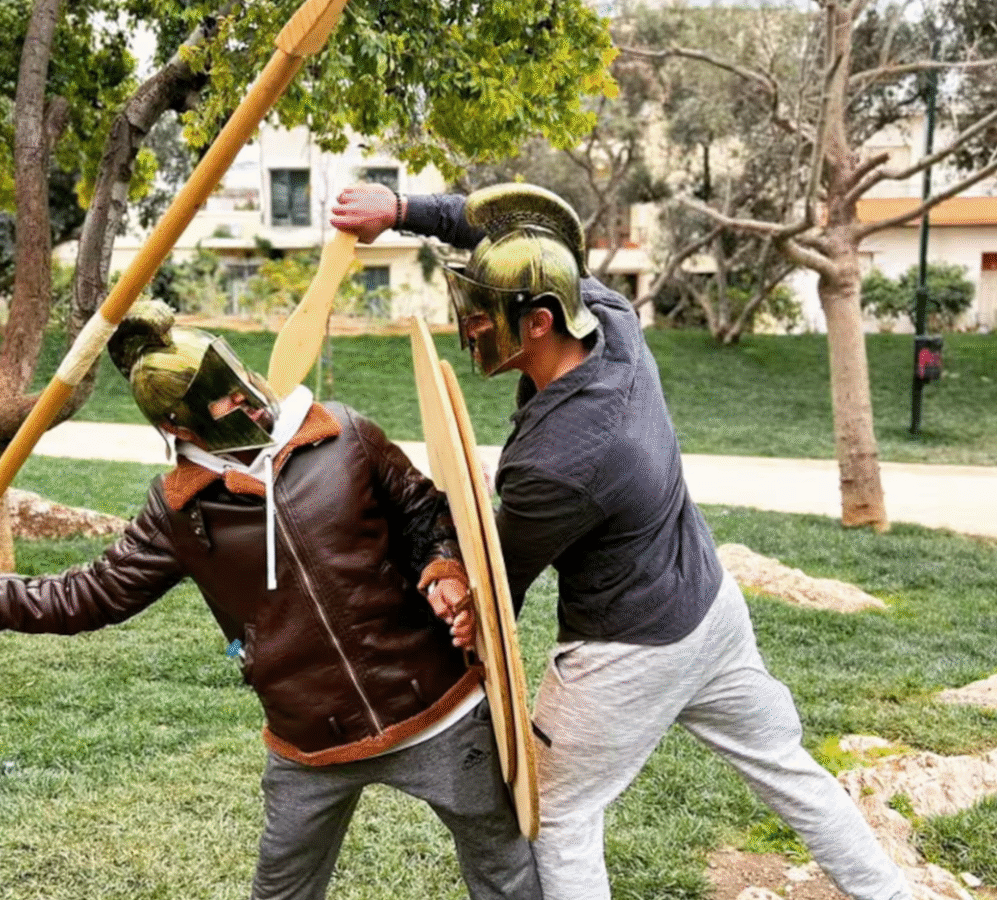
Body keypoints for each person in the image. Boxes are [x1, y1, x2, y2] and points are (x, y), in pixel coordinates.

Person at [330, 182, 912, 900]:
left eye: (482, 314)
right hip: (710, 610)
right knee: (787, 768)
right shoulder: (608, 315)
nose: (470, 325)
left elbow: (496, 584)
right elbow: (514, 226)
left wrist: (450, 561)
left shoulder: (560, 462)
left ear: (538, 322)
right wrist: (401, 211)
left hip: (629, 653)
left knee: (561, 812)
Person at [0, 300, 539, 900]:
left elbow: (424, 510)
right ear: (175, 425)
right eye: (225, 401)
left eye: (241, 384)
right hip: (309, 738)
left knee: (505, 872)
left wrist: (444, 567)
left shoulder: (344, 434)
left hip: (435, 707)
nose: (248, 405)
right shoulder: (178, 510)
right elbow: (91, 594)